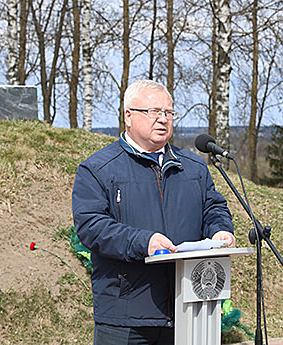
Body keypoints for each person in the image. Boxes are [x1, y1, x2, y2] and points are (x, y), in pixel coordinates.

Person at [72, 80, 235, 345]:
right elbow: (92, 226)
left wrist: (220, 230)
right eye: (153, 112)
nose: (162, 119)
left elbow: (213, 207)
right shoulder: (98, 169)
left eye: (168, 113)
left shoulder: (193, 167)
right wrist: (143, 242)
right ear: (128, 115)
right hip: (126, 315)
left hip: (189, 309)